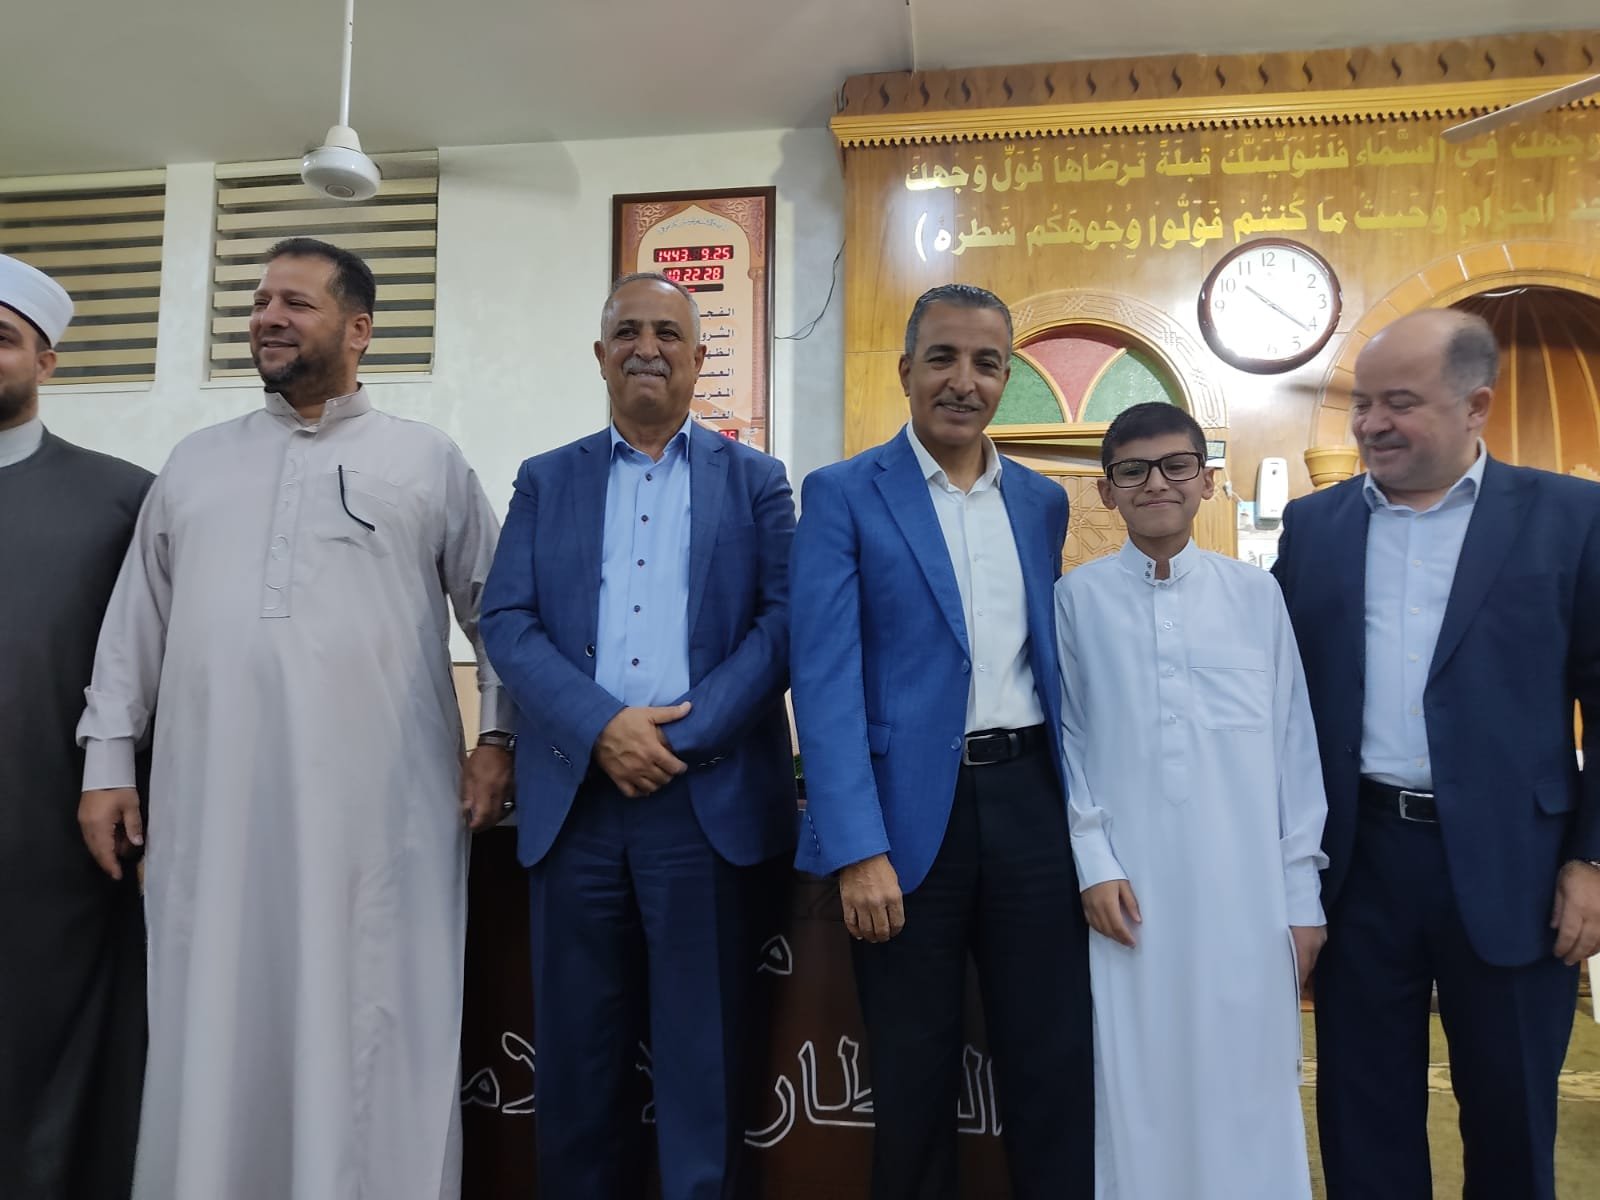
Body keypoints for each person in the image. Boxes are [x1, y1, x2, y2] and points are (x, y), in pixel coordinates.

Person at [75, 237, 515, 1200]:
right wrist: (106, 763)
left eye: (297, 303)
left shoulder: (426, 460)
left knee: (373, 1009)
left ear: (359, 329)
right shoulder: (195, 464)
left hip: (380, 818)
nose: (268, 317)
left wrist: (498, 739)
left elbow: (501, 613)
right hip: (214, 807)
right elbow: (134, 627)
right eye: (260, 301)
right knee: (215, 1006)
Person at [480, 272, 796, 1200]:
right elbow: (507, 621)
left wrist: (678, 739)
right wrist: (601, 728)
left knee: (705, 1065)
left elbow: (783, 624)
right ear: (600, 354)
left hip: (705, 807)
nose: (646, 347)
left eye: (667, 332)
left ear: (700, 357)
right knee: (577, 1066)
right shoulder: (546, 480)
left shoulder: (758, 481)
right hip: (576, 807)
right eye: (627, 332)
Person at [1272, 308, 1600, 1199]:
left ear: (1475, 406)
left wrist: (1592, 860)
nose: (1371, 423)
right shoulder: (1314, 527)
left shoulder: (1572, 519)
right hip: (1360, 865)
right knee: (1362, 1118)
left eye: (1400, 403)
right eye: (1363, 404)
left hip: (1518, 869)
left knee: (1511, 1118)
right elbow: (1274, 700)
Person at [790, 283, 1092, 1199]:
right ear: (906, 370)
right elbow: (825, 680)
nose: (964, 381)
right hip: (908, 821)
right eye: (944, 359)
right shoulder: (843, 494)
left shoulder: (1039, 502)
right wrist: (858, 847)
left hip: (1030, 805)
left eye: (986, 363)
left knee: (1051, 1065)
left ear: (1006, 378)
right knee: (913, 1076)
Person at [1055, 401, 1326, 1199]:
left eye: (1176, 465)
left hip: (1248, 898)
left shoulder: (1255, 596)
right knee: (1137, 1088)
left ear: (1207, 481)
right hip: (1129, 898)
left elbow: (1294, 748)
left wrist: (1301, 896)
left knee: (1250, 1086)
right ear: (1107, 491)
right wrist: (1094, 861)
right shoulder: (1075, 600)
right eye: (1133, 471)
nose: (1157, 484)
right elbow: (1068, 742)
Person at [0, 255, 152, 1199]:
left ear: (46, 362)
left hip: (55, 851)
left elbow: (151, 669)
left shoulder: (123, 499)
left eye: (2, 339)